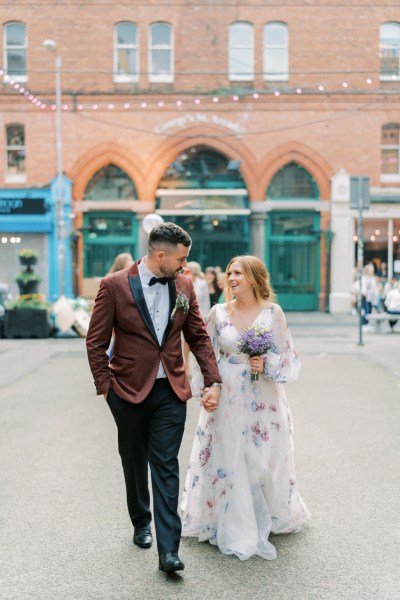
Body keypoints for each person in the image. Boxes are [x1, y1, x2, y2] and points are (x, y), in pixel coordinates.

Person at [86, 222, 222, 574]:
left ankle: (168, 552)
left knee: (165, 465)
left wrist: (212, 379)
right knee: (133, 460)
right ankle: (141, 521)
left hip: (170, 390)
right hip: (126, 390)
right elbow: (96, 341)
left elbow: (199, 337)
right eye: (181, 259)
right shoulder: (114, 286)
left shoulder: (185, 285)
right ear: (160, 255)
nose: (185, 265)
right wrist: (106, 389)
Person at [181, 255, 310, 561]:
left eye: (238, 272)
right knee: (229, 454)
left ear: (254, 277)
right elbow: (206, 354)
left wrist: (266, 362)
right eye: (229, 272)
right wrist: (206, 388)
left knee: (263, 455)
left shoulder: (273, 313)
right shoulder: (218, 312)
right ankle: (229, 518)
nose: (232, 277)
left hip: (263, 395)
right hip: (226, 396)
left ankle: (265, 510)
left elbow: (288, 357)